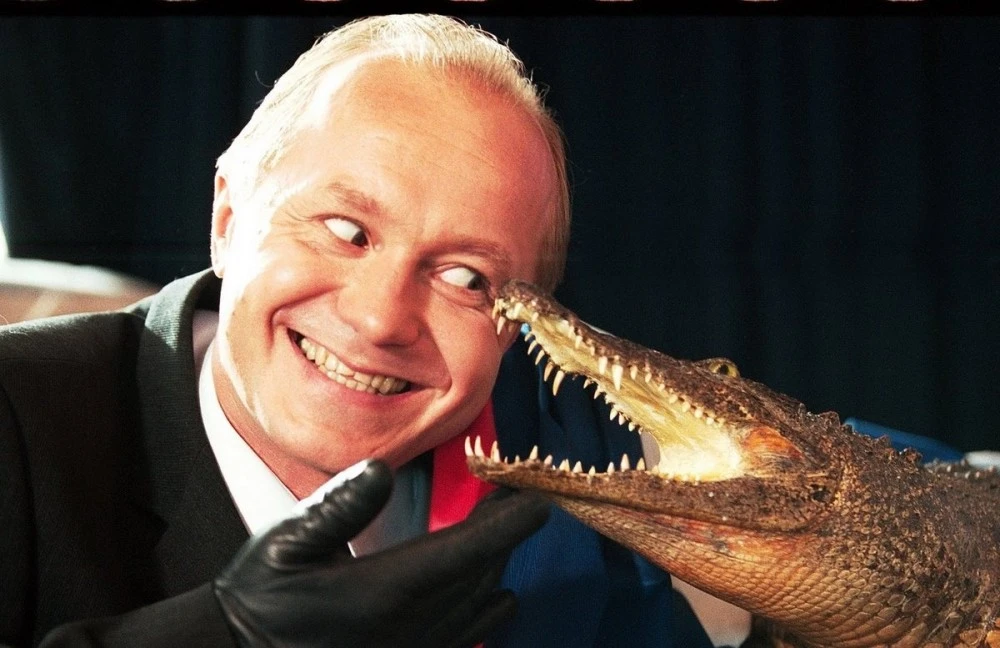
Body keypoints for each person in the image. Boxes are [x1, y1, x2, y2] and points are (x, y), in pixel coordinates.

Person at [0, 14, 725, 648]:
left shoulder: (574, 484)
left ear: (513, 331)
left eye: (465, 277)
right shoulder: (17, 417)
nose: (381, 320)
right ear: (227, 221)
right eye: (346, 231)